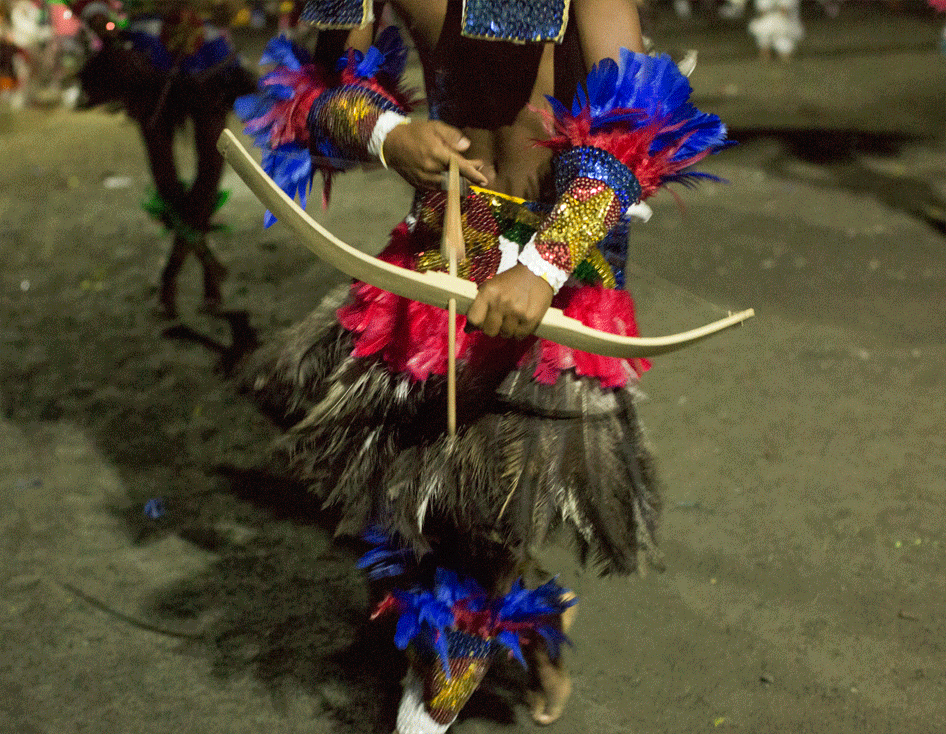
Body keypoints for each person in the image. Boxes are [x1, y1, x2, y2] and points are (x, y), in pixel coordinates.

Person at [234, 0, 730, 731]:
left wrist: (544, 267)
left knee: (482, 525)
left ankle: (432, 704)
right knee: (426, 495)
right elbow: (317, 95)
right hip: (445, 240)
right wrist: (387, 134)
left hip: (562, 247)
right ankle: (536, 616)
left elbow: (638, 125)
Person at [75, 0, 254, 317]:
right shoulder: (141, 38)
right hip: (147, 58)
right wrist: (98, 16)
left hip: (208, 54)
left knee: (210, 173)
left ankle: (172, 276)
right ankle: (205, 267)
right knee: (167, 185)